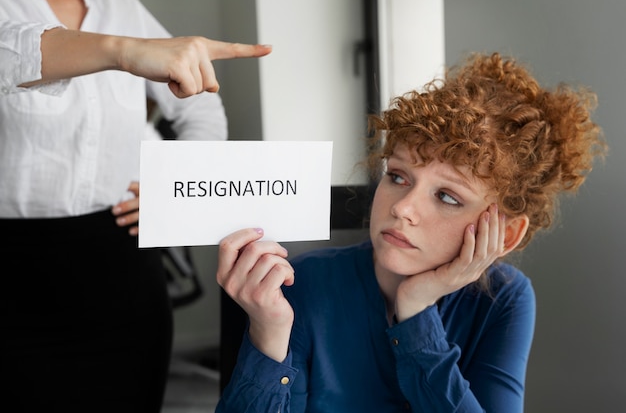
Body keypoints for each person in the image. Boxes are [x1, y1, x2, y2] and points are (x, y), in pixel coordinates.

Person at [214, 52, 607, 412]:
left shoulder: (504, 297)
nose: (402, 208)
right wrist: (269, 333)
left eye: (448, 197)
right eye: (398, 176)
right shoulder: (305, 284)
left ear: (505, 235)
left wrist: (416, 309)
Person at [0, 0, 271, 412]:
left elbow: (202, 110)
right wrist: (123, 52)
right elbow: (12, 53)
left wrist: (172, 184)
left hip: (123, 265)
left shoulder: (120, 7)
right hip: (16, 274)